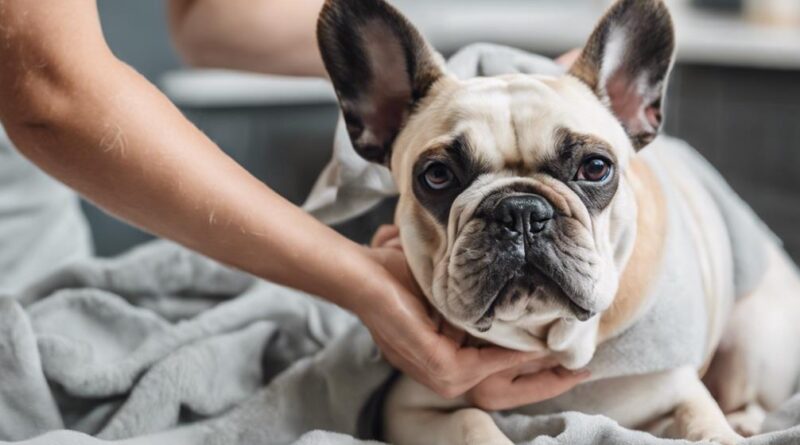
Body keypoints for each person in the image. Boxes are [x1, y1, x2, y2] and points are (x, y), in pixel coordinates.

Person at [0, 0, 588, 411]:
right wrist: (355, 277)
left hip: (44, 264)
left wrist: (455, 83)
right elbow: (48, 87)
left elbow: (216, 20)